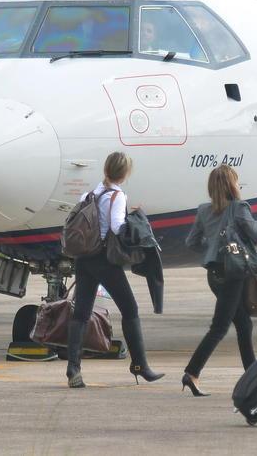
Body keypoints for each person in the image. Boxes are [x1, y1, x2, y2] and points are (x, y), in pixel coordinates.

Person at [65, 152, 164, 388]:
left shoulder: (89, 194)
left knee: (81, 313)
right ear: (125, 174)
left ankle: (73, 370)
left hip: (84, 258)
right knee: (130, 309)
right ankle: (140, 365)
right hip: (104, 260)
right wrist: (134, 219)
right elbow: (118, 227)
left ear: (106, 169)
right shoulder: (117, 196)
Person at [181, 165, 257, 396]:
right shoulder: (240, 208)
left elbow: (192, 242)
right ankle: (192, 372)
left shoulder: (204, 210)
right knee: (219, 327)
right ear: (232, 185)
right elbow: (256, 235)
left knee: (244, 324)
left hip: (214, 274)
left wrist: (213, 247)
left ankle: (252, 375)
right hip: (233, 273)